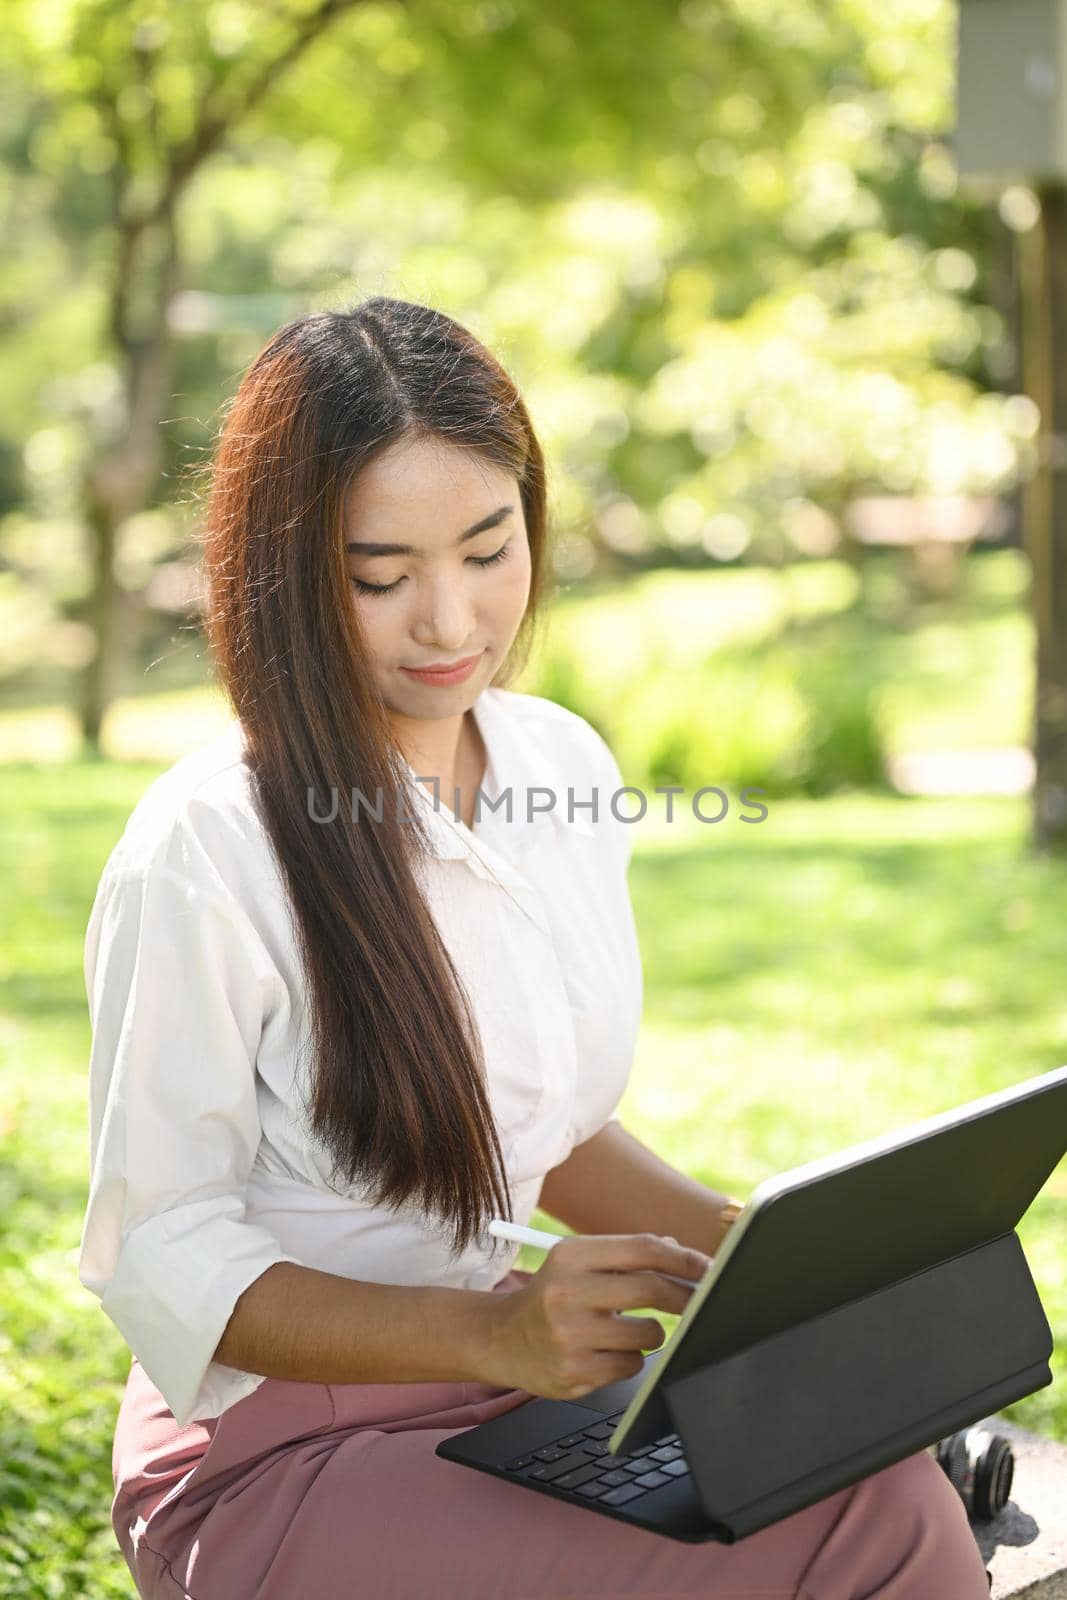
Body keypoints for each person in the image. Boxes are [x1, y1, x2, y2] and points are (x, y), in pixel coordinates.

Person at [78, 297, 991, 1599]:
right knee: (824, 1538)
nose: (450, 624)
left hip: (505, 1376)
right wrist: (495, 1330)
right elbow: (157, 1247)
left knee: (883, 1503)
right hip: (277, 1449)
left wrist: (754, 1264)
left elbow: (537, 1127)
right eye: (380, 575)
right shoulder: (209, 844)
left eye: (489, 550)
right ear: (280, 575)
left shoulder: (559, 764)